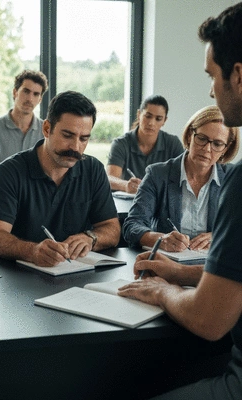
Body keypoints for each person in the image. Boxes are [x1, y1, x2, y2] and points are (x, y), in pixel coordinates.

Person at [118, 3, 242, 399]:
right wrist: (180, 272)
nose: (210, 88)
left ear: (237, 75)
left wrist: (161, 290)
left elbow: (209, 319)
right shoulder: (160, 173)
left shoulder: (238, 183)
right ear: (189, 137)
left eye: (212, 75)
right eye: (202, 139)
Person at [0, 91, 120, 267]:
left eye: (84, 138)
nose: (75, 147)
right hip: (21, 279)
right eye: (67, 135)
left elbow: (113, 229)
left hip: (76, 274)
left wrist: (91, 238)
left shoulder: (93, 169)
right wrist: (32, 251)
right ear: (47, 129)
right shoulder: (9, 171)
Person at [122, 105, 239, 251]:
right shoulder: (157, 174)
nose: (207, 149)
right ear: (190, 135)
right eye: (202, 139)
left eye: (217, 144)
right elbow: (132, 226)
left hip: (215, 266)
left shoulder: (234, 177)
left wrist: (219, 236)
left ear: (225, 149)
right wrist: (161, 239)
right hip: (167, 263)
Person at [0, 69, 48, 182]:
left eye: (36, 94)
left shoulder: (47, 131)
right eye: (26, 91)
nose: (30, 98)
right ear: (15, 92)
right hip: (2, 196)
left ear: (40, 99)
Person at [107, 95, 184, 193]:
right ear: (139, 115)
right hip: (128, 201)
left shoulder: (173, 143)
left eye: (158, 119)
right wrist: (126, 185)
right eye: (148, 116)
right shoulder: (121, 143)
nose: (151, 123)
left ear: (164, 121)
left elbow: (184, 177)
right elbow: (110, 179)